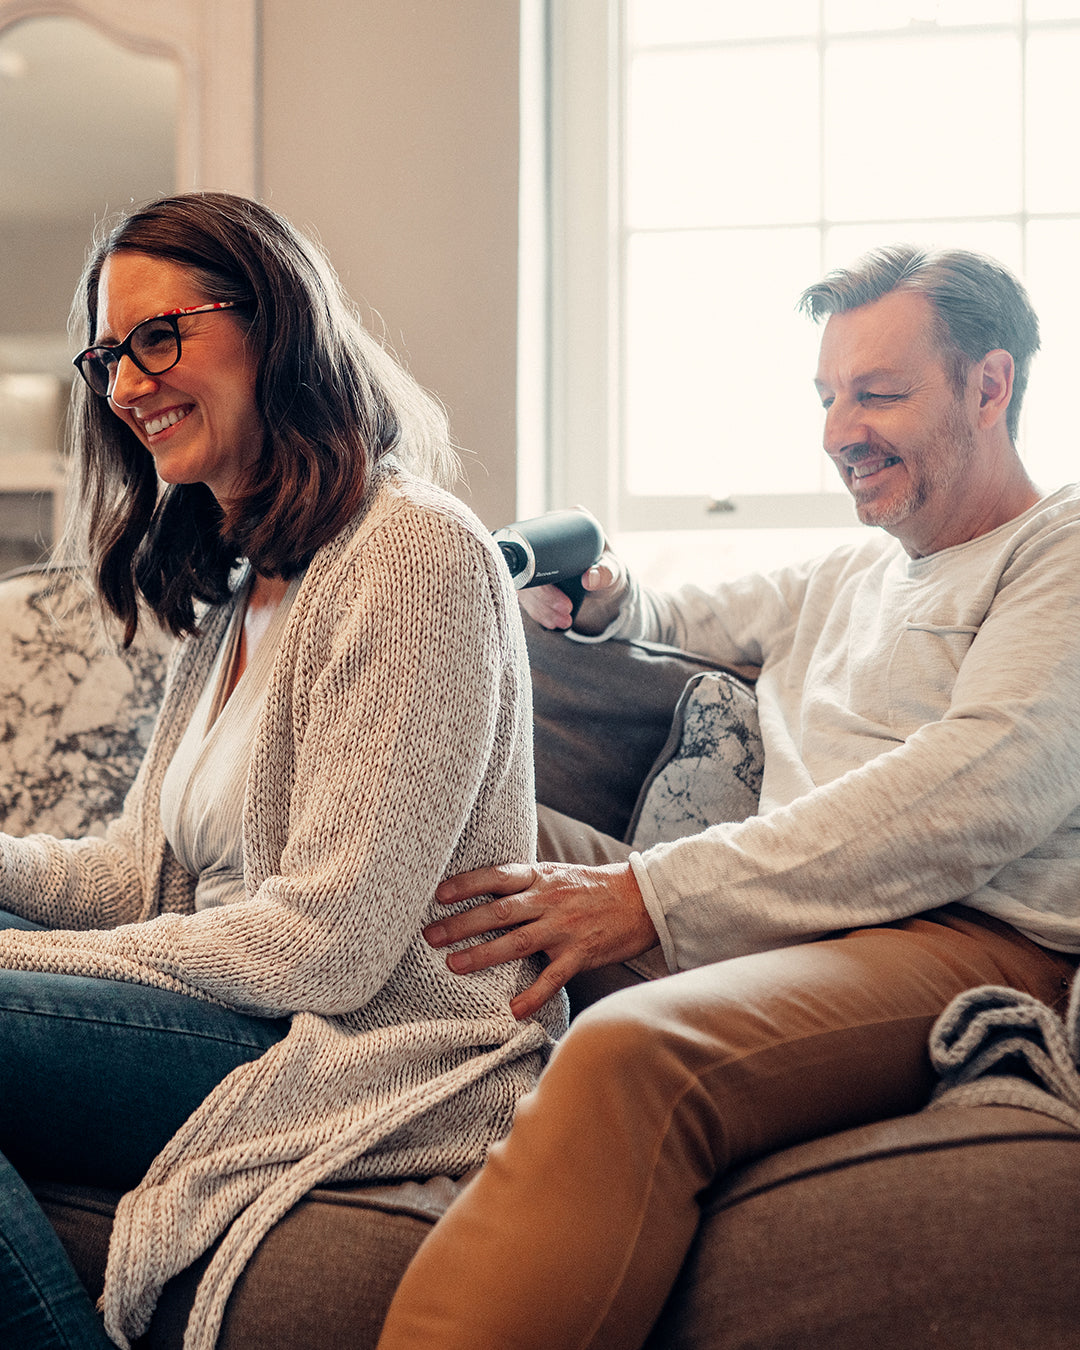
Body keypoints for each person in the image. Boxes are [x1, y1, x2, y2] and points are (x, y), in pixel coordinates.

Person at [376, 244, 1080, 1349]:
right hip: (786, 919)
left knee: (629, 1055)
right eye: (829, 396)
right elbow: (678, 613)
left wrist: (649, 895)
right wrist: (605, 598)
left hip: (958, 933)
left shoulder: (1058, 553)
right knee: (439, 844)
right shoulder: (853, 571)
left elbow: (975, 794)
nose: (840, 428)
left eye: (880, 394)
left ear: (990, 387)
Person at [0, 190, 565, 1350]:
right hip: (224, 1016)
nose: (125, 384)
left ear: (277, 327)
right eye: (108, 355)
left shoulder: (413, 555)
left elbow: (328, 943)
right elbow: (128, 876)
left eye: (161, 336)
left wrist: (15, 954)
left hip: (357, 1043)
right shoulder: (242, 591)